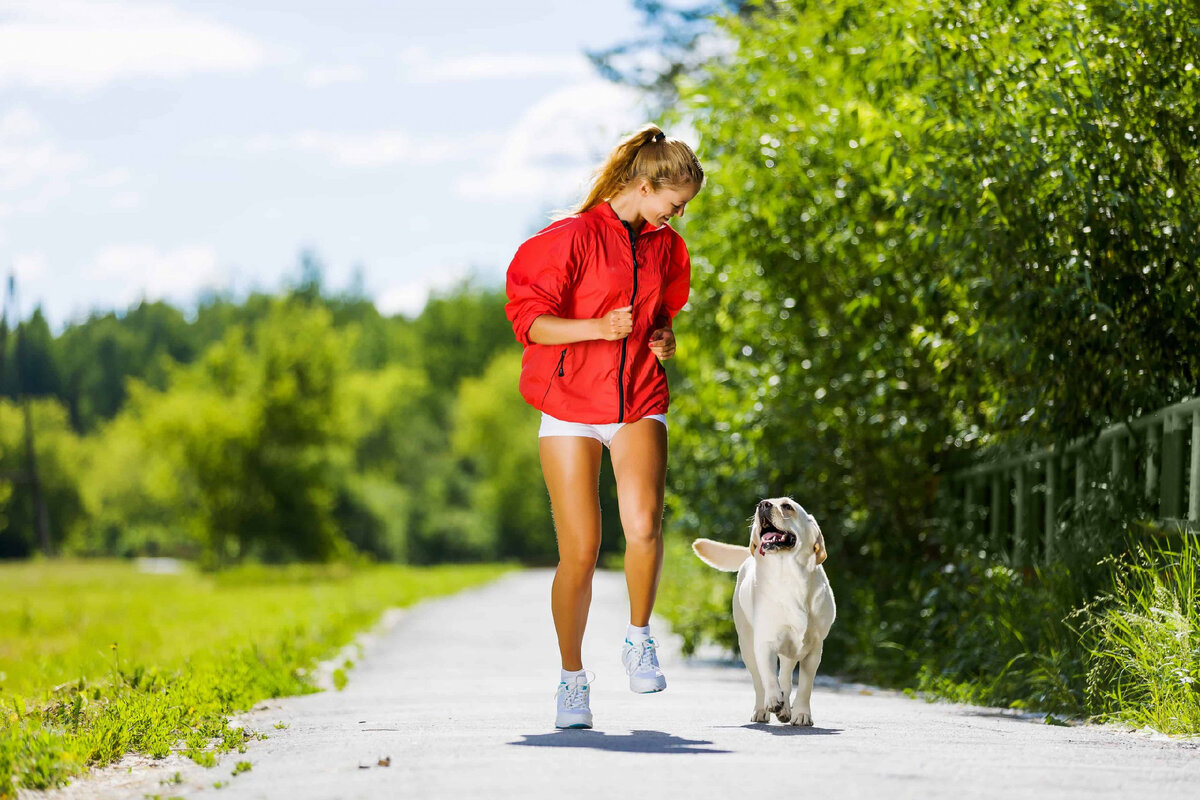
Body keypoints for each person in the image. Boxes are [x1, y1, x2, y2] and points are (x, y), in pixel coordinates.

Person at [504, 124, 704, 729]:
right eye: (674, 203)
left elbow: (663, 312)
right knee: (581, 551)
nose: (678, 216)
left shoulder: (666, 246)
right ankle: (572, 682)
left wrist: (664, 337)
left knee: (643, 527)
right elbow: (530, 323)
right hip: (569, 404)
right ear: (644, 186)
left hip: (639, 397)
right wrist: (597, 328)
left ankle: (638, 636)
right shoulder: (568, 239)